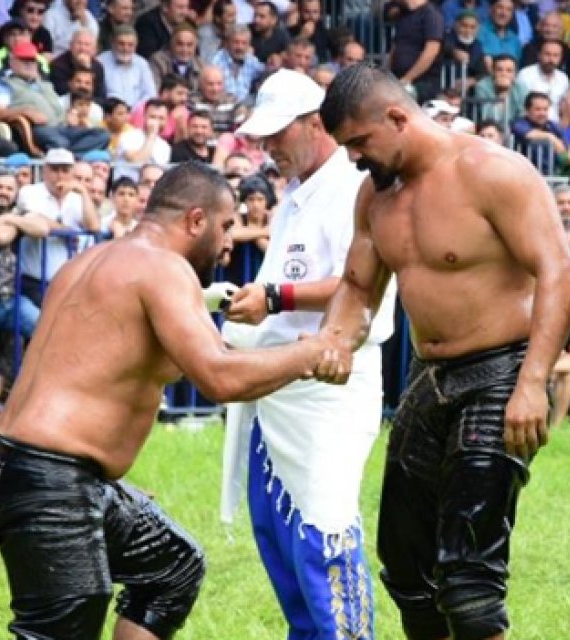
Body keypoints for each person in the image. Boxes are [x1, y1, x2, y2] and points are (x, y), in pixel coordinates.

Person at [0, 162, 347, 640]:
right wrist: (312, 352)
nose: (228, 241)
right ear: (196, 220)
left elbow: (102, 371)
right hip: (50, 482)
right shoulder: (162, 268)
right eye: (225, 225)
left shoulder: (92, 262)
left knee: (170, 564)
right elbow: (219, 376)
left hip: (36, 472)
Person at [316, 63, 570, 640]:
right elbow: (359, 287)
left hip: (500, 371)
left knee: (468, 577)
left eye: (359, 142)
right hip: (428, 376)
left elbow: (559, 272)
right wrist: (334, 341)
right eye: (344, 147)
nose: (353, 158)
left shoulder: (492, 172)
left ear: (397, 117)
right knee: (407, 565)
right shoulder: (374, 196)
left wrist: (533, 382)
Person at [218, 68, 397, 640]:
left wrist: (273, 297)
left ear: (315, 124)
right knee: (278, 539)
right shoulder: (294, 197)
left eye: (277, 134)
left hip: (329, 384)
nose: (268, 148)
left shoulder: (353, 187)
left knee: (324, 534)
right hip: (275, 390)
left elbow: (364, 284)